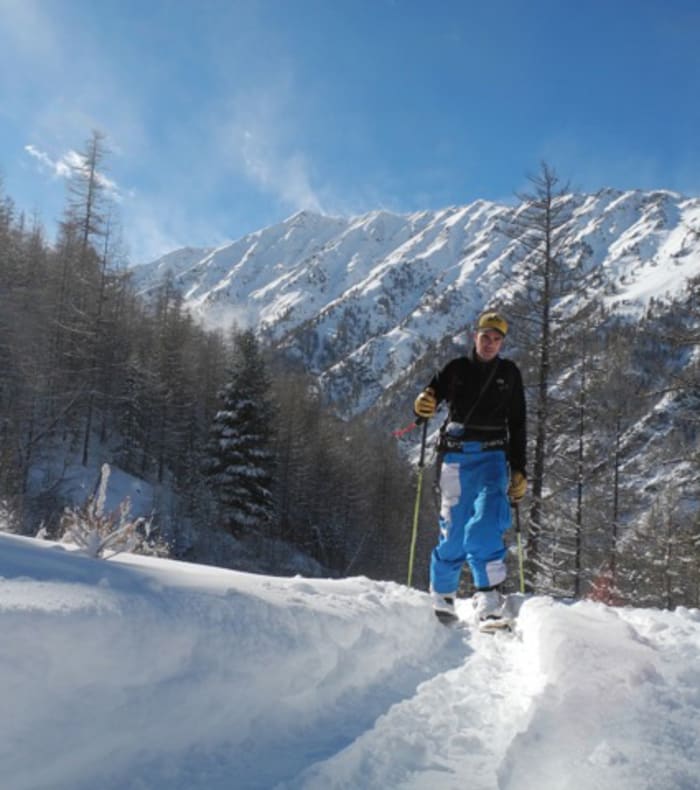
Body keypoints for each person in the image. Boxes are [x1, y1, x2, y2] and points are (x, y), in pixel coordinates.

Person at [413, 310, 527, 624]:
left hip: (493, 458)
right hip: (456, 458)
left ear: (502, 342)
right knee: (454, 528)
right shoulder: (455, 369)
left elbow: (518, 423)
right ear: (473, 336)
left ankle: (489, 595)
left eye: (497, 339)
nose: (490, 344)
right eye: (485, 337)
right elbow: (427, 403)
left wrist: (520, 470)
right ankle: (443, 593)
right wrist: (421, 404)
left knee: (488, 522)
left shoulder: (510, 374)